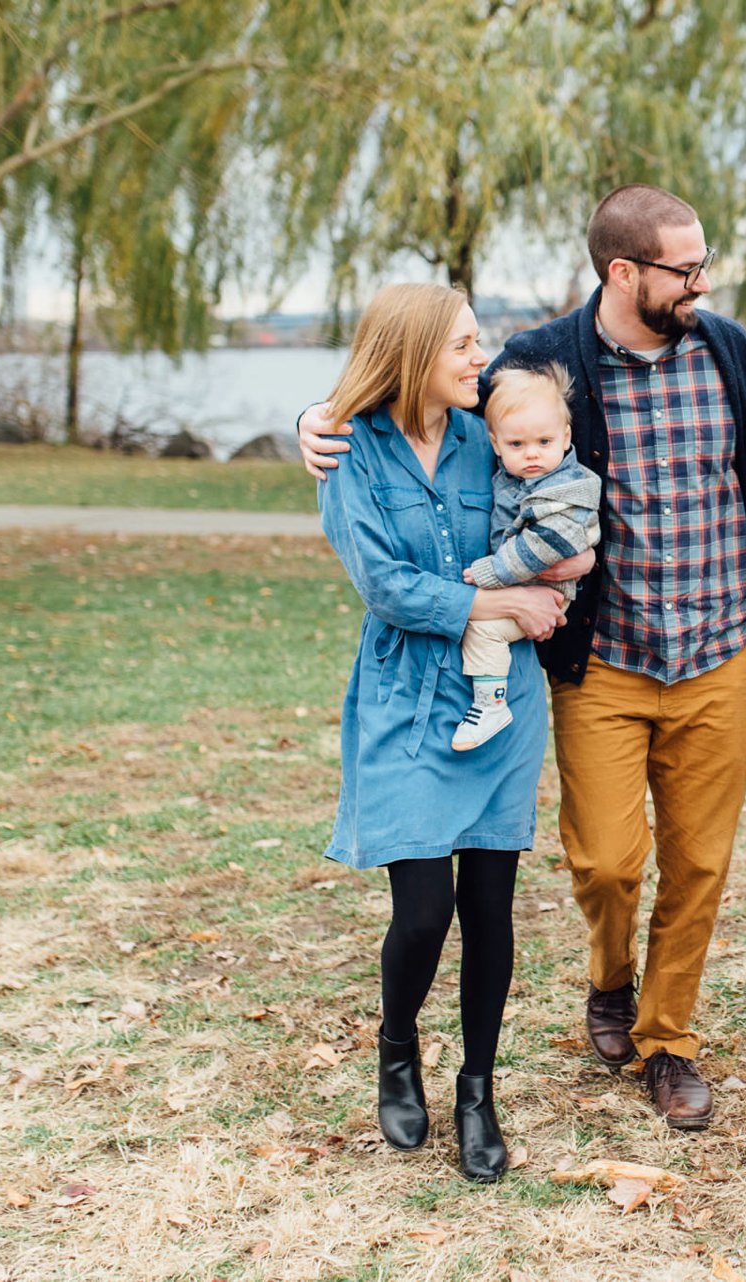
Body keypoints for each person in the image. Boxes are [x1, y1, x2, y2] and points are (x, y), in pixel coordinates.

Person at [300, 184, 746, 1133]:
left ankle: (648, 1045)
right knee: (597, 865)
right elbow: (405, 419)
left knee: (688, 866)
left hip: (710, 650)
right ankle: (563, 995)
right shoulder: (533, 368)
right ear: (625, 271)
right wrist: (317, 416)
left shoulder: (722, 352)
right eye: (686, 267)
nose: (703, 282)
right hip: (573, 664)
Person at [316, 282, 567, 1182]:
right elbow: (385, 586)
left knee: (489, 907)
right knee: (421, 911)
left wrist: (559, 572)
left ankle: (477, 1088)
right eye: (463, 344)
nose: (480, 357)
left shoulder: (487, 436)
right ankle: (395, 1047)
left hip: (497, 699)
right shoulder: (350, 449)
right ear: (415, 352)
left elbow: (560, 481)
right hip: (404, 696)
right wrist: (501, 600)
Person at [451, 365, 602, 752]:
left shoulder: (567, 487)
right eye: (517, 445)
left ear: (566, 437)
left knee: (484, 630)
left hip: (546, 589)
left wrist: (492, 572)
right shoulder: (513, 477)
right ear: (496, 444)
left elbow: (545, 545)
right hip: (524, 583)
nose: (532, 454)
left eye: (544, 442)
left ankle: (490, 706)